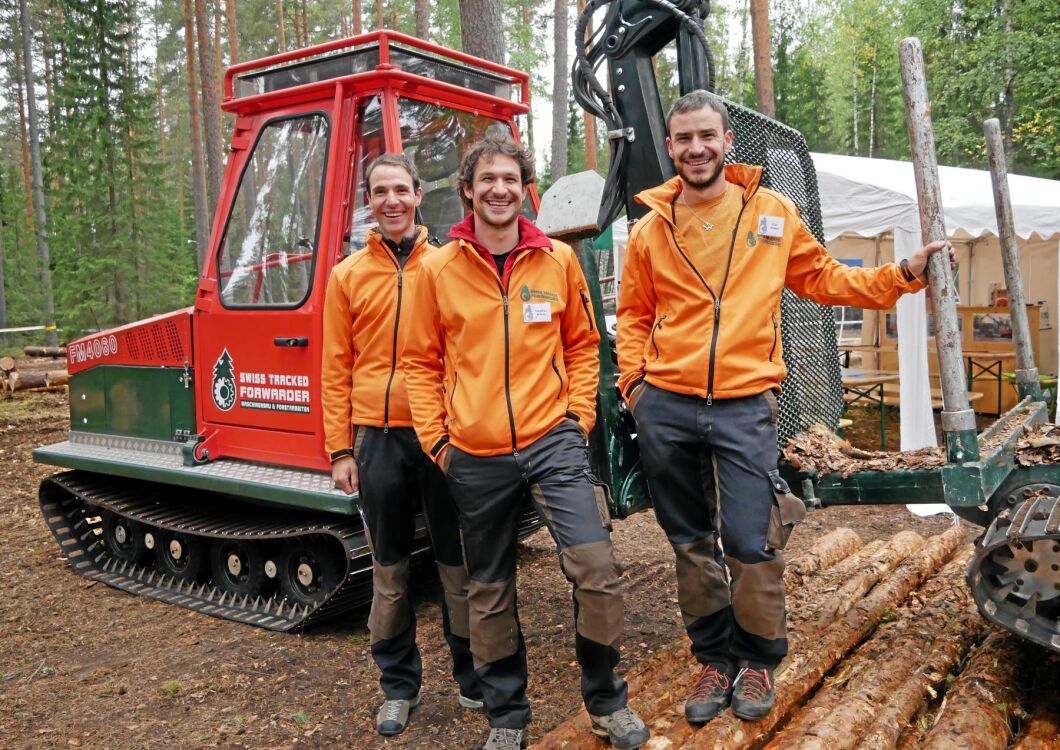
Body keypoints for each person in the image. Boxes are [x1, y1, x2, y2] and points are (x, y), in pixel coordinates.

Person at [616, 90, 952, 724]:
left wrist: (902, 274)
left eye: (707, 136)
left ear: (726, 141)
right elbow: (633, 314)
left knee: (749, 537)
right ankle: (714, 656)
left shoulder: (770, 212)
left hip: (745, 402)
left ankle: (759, 659)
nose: (696, 148)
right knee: (689, 540)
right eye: (684, 138)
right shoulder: (649, 228)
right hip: (668, 404)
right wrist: (637, 388)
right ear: (670, 147)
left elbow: (826, 278)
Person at [402, 133, 650, 750]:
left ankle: (606, 701)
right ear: (467, 191)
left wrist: (577, 421)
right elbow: (419, 363)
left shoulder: (558, 262)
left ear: (524, 188)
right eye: (487, 179)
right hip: (475, 454)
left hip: (552, 441)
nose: (499, 189)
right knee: (488, 591)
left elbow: (584, 346)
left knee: (596, 568)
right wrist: (440, 444)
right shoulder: (437, 270)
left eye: (510, 178)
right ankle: (507, 718)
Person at [321, 153, 482, 736]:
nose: (391, 201)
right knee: (388, 568)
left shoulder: (446, 266)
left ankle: (471, 676)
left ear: (419, 195)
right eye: (379, 191)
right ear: (371, 200)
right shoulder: (347, 275)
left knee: (454, 563)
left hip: (440, 434)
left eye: (401, 190)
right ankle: (398, 685)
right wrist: (340, 449)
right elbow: (335, 366)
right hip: (377, 438)